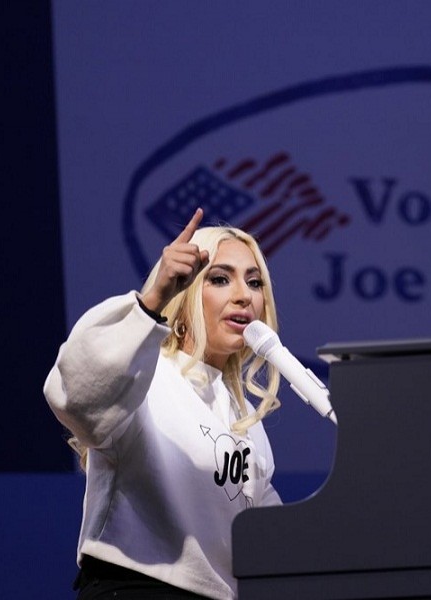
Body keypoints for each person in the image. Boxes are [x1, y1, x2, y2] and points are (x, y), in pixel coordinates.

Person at [44, 208, 283, 599]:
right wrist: (153, 297)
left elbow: (267, 530)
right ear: (185, 293)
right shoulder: (143, 372)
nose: (244, 295)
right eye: (221, 279)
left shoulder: (243, 416)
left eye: (254, 282)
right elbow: (75, 396)